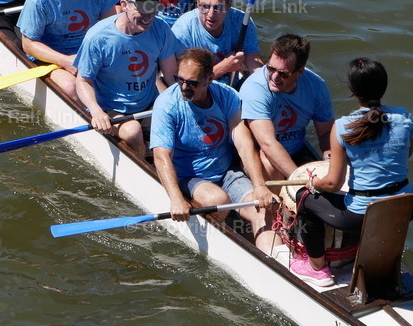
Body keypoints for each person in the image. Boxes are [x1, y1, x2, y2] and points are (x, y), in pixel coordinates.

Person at [290, 57, 413, 288]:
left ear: (353, 91)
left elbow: (334, 183)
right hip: (405, 206)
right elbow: (406, 153)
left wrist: (314, 182)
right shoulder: (403, 117)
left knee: (303, 200)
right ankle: (385, 260)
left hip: (361, 214)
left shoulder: (343, 126)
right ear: (384, 86)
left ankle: (316, 267)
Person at [150, 48, 279, 252]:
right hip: (188, 176)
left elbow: (244, 144)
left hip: (226, 173)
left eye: (191, 83)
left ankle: (274, 262)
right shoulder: (166, 104)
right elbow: (161, 156)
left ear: (209, 79)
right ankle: (213, 244)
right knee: (217, 199)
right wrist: (176, 199)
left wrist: (259, 185)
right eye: (179, 79)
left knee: (263, 209)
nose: (184, 87)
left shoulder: (226, 95)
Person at [74, 0, 179, 157]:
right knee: (133, 132)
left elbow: (171, 76)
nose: (148, 17)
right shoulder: (98, 38)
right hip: (114, 110)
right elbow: (83, 81)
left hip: (149, 103)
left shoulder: (161, 29)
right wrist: (97, 112)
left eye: (153, 10)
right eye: (142, 9)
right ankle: (145, 169)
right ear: (124, 5)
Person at [17, 0, 119, 100]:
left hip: (85, 52)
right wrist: (65, 61)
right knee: (72, 87)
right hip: (50, 56)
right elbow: (28, 44)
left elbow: (109, 31)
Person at [241, 33, 334, 180]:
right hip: (260, 152)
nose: (274, 77)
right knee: (271, 167)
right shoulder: (254, 89)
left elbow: (325, 134)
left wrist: (330, 158)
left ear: (300, 72)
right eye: (270, 68)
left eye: (283, 74)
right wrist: (300, 180)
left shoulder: (316, 86)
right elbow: (268, 144)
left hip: (296, 150)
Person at [171, 0, 261, 85]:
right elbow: (182, 81)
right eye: (204, 6)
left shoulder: (242, 22)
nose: (210, 15)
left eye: (218, 7)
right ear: (197, 2)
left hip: (231, 86)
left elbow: (254, 62)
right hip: (196, 90)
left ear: (228, 6)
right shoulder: (183, 30)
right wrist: (223, 68)